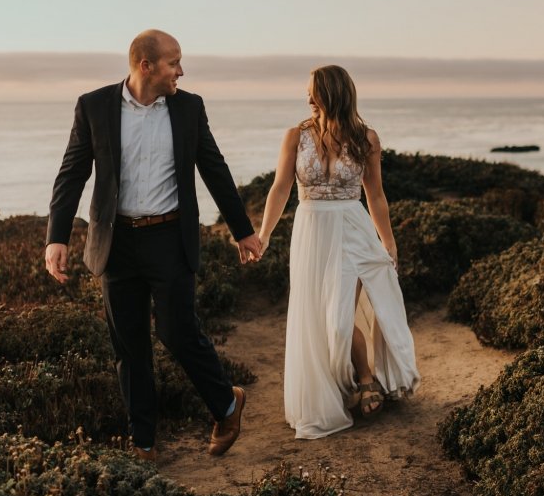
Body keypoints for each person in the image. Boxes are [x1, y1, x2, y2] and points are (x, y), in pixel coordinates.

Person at [44, 29, 263, 461]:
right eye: (173, 62)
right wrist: (57, 236)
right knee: (129, 348)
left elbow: (214, 169)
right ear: (146, 66)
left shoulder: (188, 108)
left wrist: (243, 230)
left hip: (169, 237)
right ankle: (143, 442)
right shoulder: (94, 106)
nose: (181, 70)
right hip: (116, 242)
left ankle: (226, 403)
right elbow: (72, 173)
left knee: (177, 332)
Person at [257, 65, 420, 439]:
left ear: (333, 94)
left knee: (339, 317)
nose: (309, 98)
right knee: (320, 318)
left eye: (315, 91)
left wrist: (388, 241)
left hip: (352, 229)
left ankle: (364, 380)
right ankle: (359, 382)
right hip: (312, 231)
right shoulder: (295, 137)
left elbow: (375, 195)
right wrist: (264, 234)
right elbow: (280, 187)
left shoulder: (367, 138)